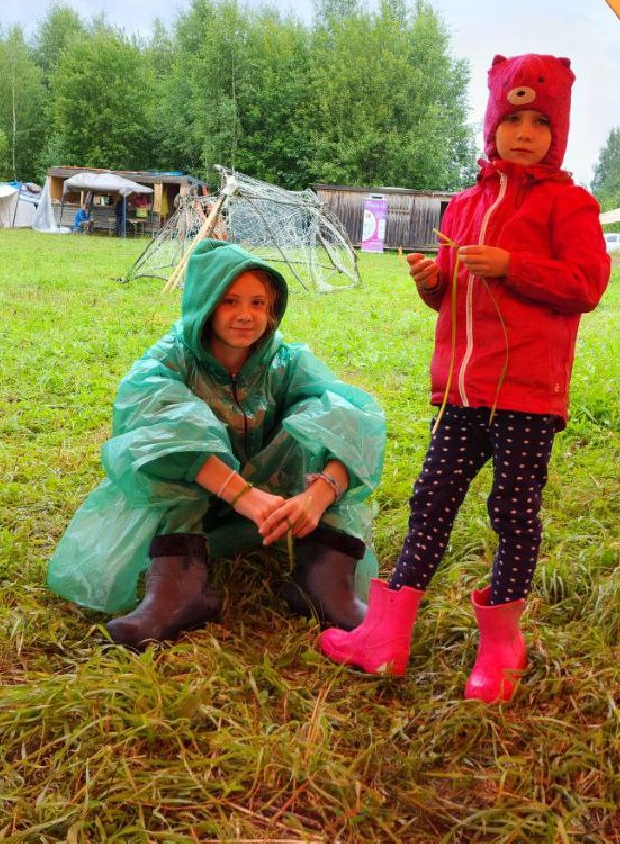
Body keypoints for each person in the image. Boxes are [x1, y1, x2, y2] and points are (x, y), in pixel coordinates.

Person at [319, 52, 610, 703]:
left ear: (558, 132)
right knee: (430, 505)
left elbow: (587, 284)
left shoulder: (570, 206)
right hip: (462, 391)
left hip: (528, 396)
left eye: (541, 121)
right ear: (492, 124)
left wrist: (513, 266)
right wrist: (434, 285)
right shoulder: (464, 206)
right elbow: (453, 300)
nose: (526, 133)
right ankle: (383, 639)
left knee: (512, 512)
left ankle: (500, 648)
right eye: (514, 119)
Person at [48, 239, 385, 649]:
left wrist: (316, 497)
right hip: (200, 501)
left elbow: (352, 422)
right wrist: (245, 497)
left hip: (277, 503)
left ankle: (324, 584)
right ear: (205, 305)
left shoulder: (286, 361)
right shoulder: (170, 361)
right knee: (171, 443)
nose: (246, 315)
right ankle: (178, 594)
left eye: (258, 303)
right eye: (230, 301)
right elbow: (153, 427)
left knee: (326, 413)